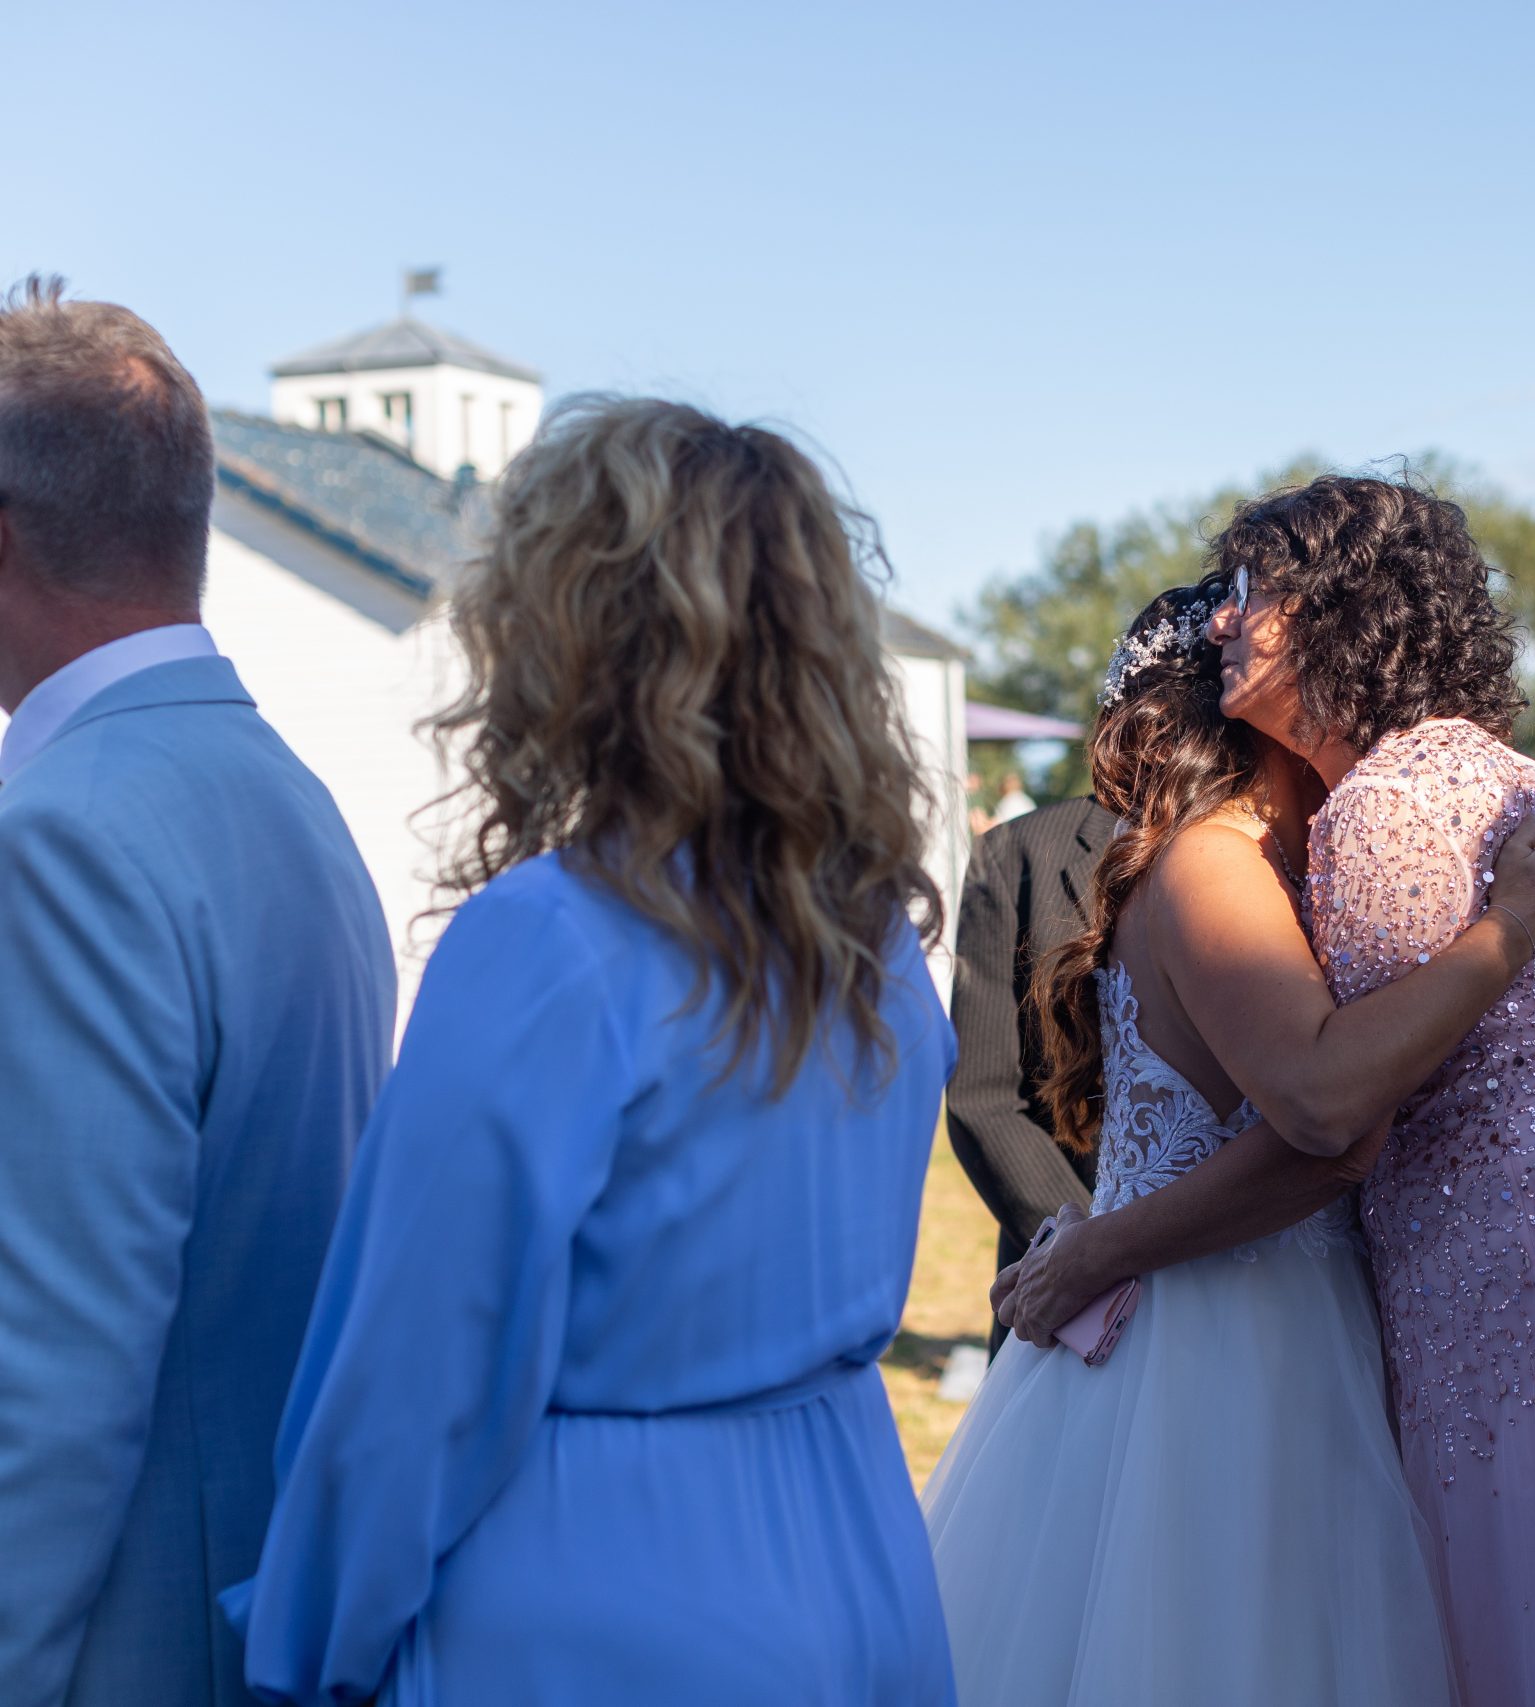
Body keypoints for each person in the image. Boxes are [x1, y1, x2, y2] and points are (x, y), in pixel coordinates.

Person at [1011, 478, 1535, 1707]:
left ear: (1340, 613)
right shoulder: (1488, 779)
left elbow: (1333, 1119)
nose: (1225, 619)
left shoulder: (1377, 809)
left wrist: (1504, 936)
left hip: (1522, 1303)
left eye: (1254, 591)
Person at [224, 398, 957, 1705]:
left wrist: (307, 1646)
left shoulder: (552, 938)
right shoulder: (875, 946)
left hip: (606, 1594)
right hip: (859, 1559)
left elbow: (415, 1370)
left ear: (569, 632)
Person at [925, 584, 1535, 1707]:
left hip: (1247, 1311)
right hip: (1222, 1342)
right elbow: (1326, 1128)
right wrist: (1510, 930)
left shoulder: (1298, 867)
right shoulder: (1216, 867)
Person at [0, 278, 394, 1707]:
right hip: (268, 1601)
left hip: (123, 1633)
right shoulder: (288, 793)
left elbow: (55, 1361)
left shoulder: (64, 834)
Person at [946, 790, 1115, 1349]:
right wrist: (1090, 1257)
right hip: (1064, 1297)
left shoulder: (1279, 834)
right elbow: (983, 1097)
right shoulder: (1014, 855)